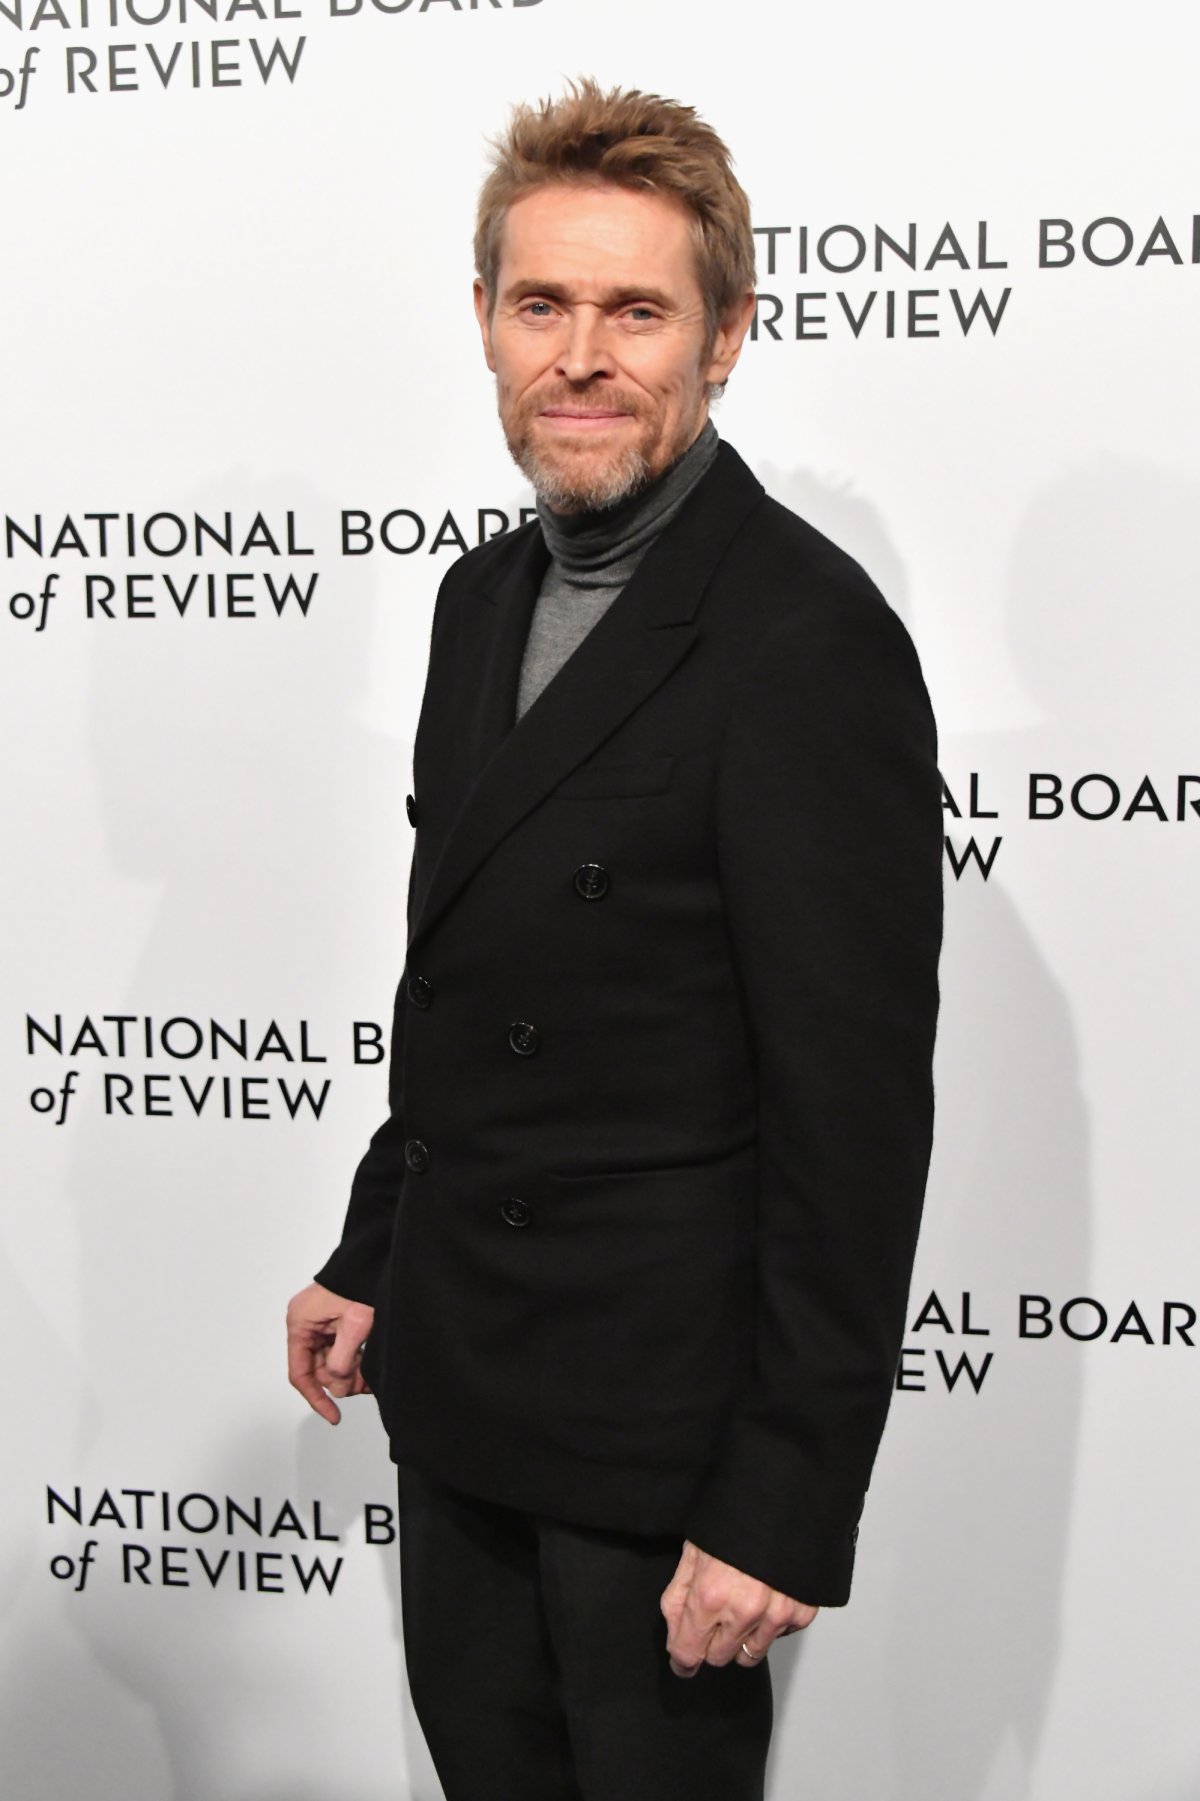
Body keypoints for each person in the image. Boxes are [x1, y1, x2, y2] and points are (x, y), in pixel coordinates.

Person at [287, 78, 942, 1800]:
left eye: (636, 312)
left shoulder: (806, 638)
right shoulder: (477, 600)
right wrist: (377, 1248)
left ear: (724, 337)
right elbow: (463, 981)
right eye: (542, 304)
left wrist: (783, 1499)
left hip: (659, 1449)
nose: (580, 357)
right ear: (485, 321)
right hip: (461, 1388)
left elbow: (854, 1125)